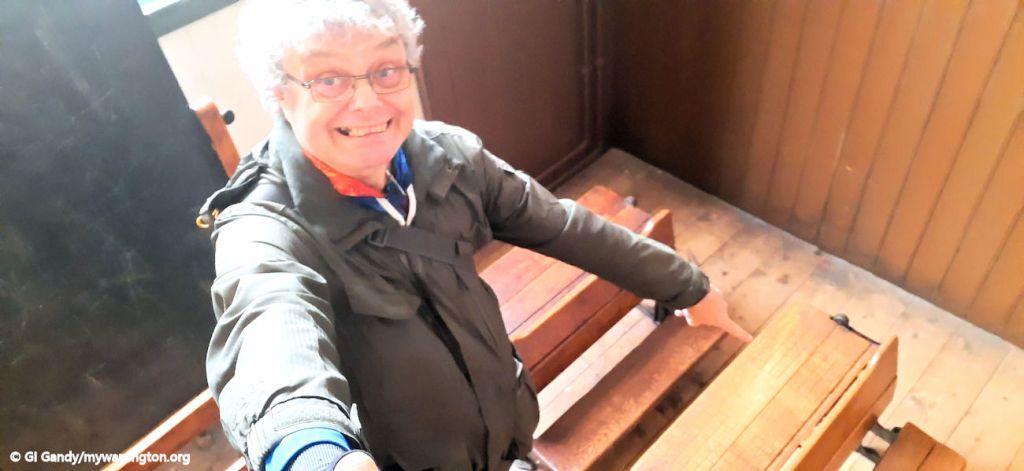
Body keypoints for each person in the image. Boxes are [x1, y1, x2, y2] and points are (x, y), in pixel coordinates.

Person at [199, 1, 752, 469]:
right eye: (328, 80)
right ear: (280, 92)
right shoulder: (264, 228)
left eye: (386, 69)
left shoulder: (450, 159)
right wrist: (311, 454)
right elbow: (268, 331)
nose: (366, 101)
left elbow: (563, 225)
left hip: (504, 424)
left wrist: (687, 286)